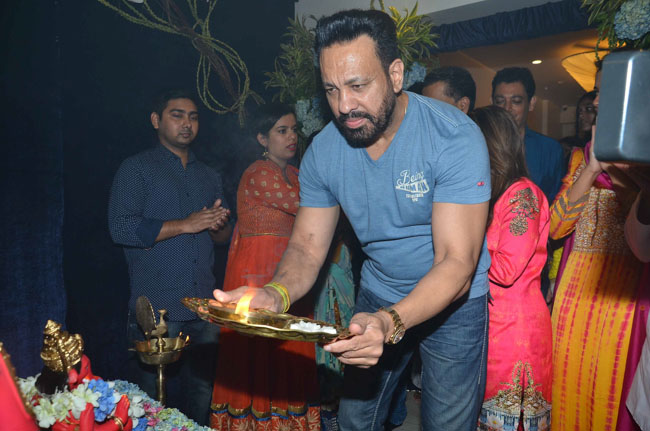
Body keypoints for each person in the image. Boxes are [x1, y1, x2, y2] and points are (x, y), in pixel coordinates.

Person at [216, 9, 492, 431]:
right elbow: (307, 247)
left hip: (455, 305)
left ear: (395, 74)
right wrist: (275, 294)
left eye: (358, 86)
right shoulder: (325, 151)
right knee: (354, 419)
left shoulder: (453, 136)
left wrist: (390, 322)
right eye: (331, 89)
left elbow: (456, 263)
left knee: (447, 424)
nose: (344, 106)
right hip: (380, 291)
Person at [108, 89, 232, 425]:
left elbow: (222, 239)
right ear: (156, 120)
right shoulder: (136, 168)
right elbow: (121, 228)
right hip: (158, 309)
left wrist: (218, 225)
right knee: (147, 406)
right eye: (177, 115)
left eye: (193, 117)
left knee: (202, 399)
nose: (187, 123)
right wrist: (187, 224)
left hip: (203, 306)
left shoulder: (208, 175)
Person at [209, 104, 320, 431]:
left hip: (289, 270)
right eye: (281, 131)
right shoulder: (259, 172)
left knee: (292, 343)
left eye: (294, 130)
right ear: (262, 139)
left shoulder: (295, 174)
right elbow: (309, 206)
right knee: (257, 351)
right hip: (257, 272)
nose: (291, 137)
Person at [549, 58, 645, 430]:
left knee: (609, 394)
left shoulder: (642, 163)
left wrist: (619, 172)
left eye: (607, 90)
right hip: (574, 297)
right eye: (598, 91)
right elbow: (556, 227)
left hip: (622, 300)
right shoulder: (580, 158)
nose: (597, 100)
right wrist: (591, 167)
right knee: (568, 390)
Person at [470, 106, 552, 430]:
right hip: (493, 325)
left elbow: (506, 268)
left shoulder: (523, 196)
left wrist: (460, 243)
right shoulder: (495, 193)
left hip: (516, 331)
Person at [492, 67, 565, 204]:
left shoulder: (550, 150)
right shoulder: (481, 146)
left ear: (531, 103)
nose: (507, 108)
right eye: (500, 101)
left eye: (516, 101)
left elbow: (557, 204)